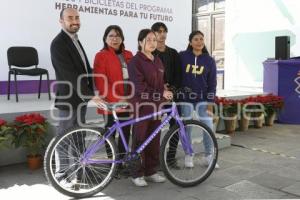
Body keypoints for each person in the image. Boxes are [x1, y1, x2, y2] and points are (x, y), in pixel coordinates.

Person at [50, 8, 103, 182]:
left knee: (79, 136)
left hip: (80, 99)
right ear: (61, 21)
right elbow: (69, 74)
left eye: (77, 17)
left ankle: (81, 170)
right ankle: (62, 174)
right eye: (70, 18)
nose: (75, 21)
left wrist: (91, 90)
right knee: (64, 138)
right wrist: (90, 95)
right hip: (68, 98)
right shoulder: (58, 43)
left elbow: (83, 68)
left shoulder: (74, 40)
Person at [127, 29, 173, 187]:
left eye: (155, 40)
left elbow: (160, 83)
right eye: (149, 40)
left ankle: (151, 171)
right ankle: (136, 173)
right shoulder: (135, 62)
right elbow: (140, 87)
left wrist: (165, 93)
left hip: (156, 106)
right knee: (140, 139)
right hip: (141, 106)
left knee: (154, 139)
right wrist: (162, 92)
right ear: (141, 42)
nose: (153, 43)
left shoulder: (158, 61)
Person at [179, 30, 219, 169]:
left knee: (207, 126)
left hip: (203, 99)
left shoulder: (209, 60)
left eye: (201, 39)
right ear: (190, 42)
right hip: (186, 98)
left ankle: (208, 155)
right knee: (186, 128)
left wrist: (210, 103)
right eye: (196, 39)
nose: (199, 41)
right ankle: (189, 154)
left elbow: (212, 83)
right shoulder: (182, 56)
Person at [93, 25, 133, 160]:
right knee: (110, 133)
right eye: (111, 36)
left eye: (117, 36)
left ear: (122, 38)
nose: (114, 39)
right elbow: (101, 81)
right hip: (111, 102)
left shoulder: (128, 54)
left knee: (126, 132)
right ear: (105, 38)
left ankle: (122, 161)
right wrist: (117, 100)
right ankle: (112, 162)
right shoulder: (101, 55)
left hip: (128, 100)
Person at [151, 22, 182, 167]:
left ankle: (170, 157)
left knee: (176, 126)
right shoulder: (150, 53)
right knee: (154, 128)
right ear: (153, 34)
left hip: (173, 97)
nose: (162, 34)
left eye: (164, 31)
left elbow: (178, 75)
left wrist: (172, 89)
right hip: (156, 98)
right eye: (158, 32)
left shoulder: (173, 53)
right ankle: (155, 160)